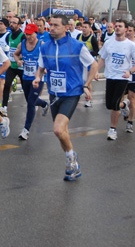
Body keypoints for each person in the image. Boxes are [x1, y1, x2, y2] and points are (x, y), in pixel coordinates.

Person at [33, 14, 98, 181]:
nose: (51, 28)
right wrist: (38, 77)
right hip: (54, 93)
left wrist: (86, 84)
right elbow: (40, 67)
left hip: (71, 93)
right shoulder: (45, 47)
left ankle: (71, 159)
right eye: (50, 25)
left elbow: (94, 64)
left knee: (57, 129)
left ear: (66, 27)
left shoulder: (76, 46)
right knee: (62, 132)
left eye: (55, 25)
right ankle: (73, 166)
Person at [96, 20, 135, 141]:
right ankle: (125, 104)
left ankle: (112, 130)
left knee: (115, 104)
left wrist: (130, 72)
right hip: (110, 76)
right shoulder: (108, 43)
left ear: (126, 29)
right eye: (116, 26)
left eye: (120, 26)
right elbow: (102, 59)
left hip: (122, 77)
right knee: (109, 105)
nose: (117, 28)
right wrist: (96, 71)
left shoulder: (131, 45)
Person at [13, 24, 49, 140]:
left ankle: (26, 130)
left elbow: (48, 59)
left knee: (30, 102)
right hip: (26, 77)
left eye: (30, 34)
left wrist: (46, 68)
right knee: (30, 99)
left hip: (38, 78)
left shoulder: (42, 45)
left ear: (36, 33)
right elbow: (15, 54)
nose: (28, 37)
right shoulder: (22, 44)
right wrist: (18, 61)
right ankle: (44, 104)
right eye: (26, 34)